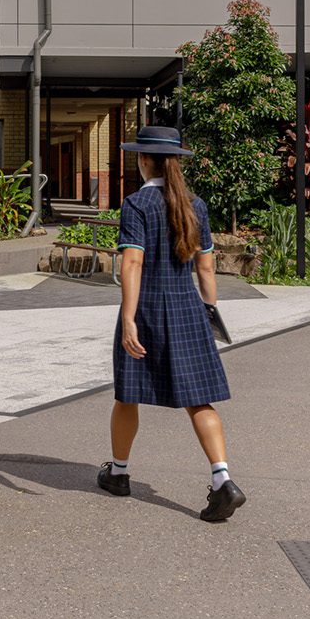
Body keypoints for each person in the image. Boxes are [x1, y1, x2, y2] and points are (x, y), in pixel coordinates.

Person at [97, 126, 245, 523]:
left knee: (128, 394)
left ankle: (120, 473)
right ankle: (223, 480)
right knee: (199, 398)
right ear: (176, 161)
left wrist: (128, 317)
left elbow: (133, 262)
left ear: (144, 160)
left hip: (145, 308)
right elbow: (207, 266)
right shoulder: (196, 206)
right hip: (188, 309)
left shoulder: (136, 204)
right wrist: (209, 310)